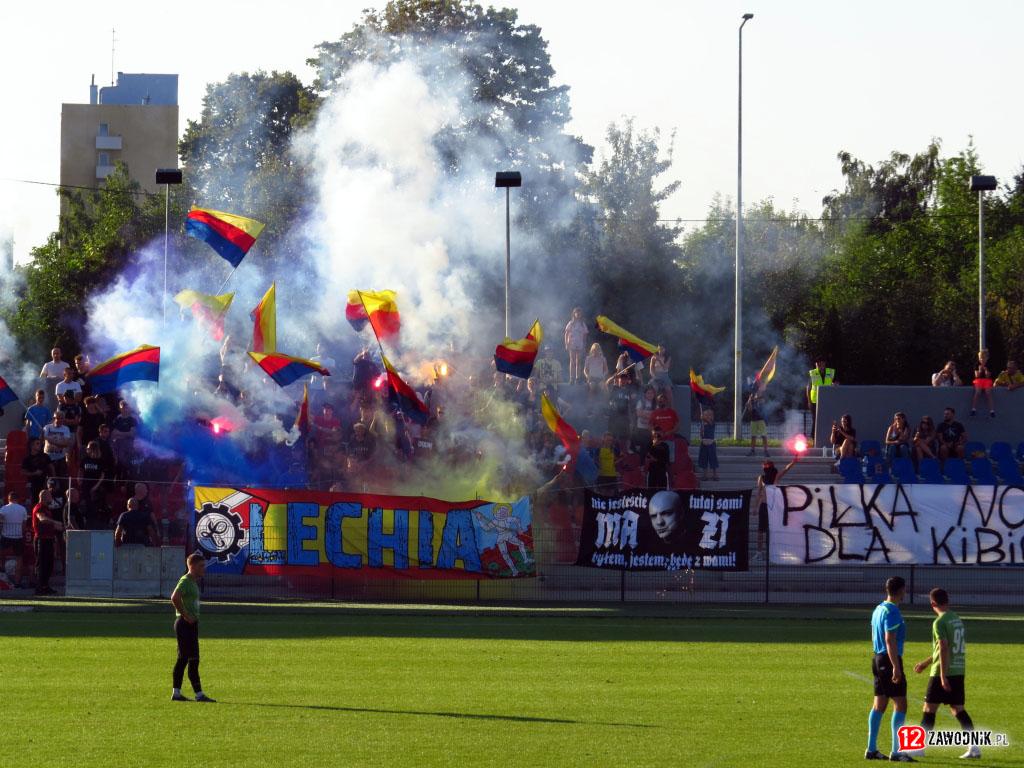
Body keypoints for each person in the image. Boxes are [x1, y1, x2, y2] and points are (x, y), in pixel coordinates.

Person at [912, 588, 981, 760]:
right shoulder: (956, 619)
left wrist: (942, 676)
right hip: (958, 670)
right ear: (947, 601)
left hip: (943, 673)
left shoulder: (939, 622)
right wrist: (925, 663)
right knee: (958, 709)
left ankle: (919, 748)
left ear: (932, 603)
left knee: (929, 709)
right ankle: (974, 748)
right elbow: (943, 648)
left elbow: (943, 647)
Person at [866, 576, 912, 762]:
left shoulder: (878, 609)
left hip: (877, 658)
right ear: (901, 590)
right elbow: (889, 639)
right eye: (904, 589)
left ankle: (871, 749)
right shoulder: (892, 611)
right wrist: (896, 667)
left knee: (879, 704)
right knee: (900, 703)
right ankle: (897, 751)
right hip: (888, 659)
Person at [170, 552, 216, 702]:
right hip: (184, 624)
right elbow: (174, 597)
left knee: (192, 659)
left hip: (191, 624)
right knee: (184, 658)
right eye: (201, 566)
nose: (204, 569)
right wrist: (185, 615)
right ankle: (184, 693)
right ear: (192, 566)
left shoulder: (193, 582)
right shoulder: (185, 581)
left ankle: (195, 694)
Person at [753, 457, 797, 562]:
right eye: (765, 465)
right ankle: (759, 553)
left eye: (767, 465)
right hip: (764, 506)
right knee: (760, 531)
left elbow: (785, 469)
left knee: (772, 530)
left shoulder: (776, 477)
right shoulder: (761, 478)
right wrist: (755, 507)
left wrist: (793, 462)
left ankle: (773, 552)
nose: (766, 467)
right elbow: (759, 493)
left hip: (773, 507)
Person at [32, 489, 63, 595]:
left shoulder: (47, 509)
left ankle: (45, 586)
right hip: (42, 539)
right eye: (49, 496)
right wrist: (56, 522)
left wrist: (62, 526)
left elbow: (51, 524)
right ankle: (40, 587)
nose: (51, 498)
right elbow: (42, 519)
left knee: (49, 565)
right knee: (42, 564)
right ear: (44, 497)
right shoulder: (39, 507)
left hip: (49, 539)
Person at [0, 491, 29, 587]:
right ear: (18, 499)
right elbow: (24, 525)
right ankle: (17, 582)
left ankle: (2, 568)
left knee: (1, 553)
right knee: (19, 558)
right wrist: (21, 533)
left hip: (6, 535)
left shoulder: (4, 508)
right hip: (18, 536)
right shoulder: (23, 509)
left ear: (9, 499)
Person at [806, 358, 837, 438]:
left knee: (827, 419)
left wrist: (835, 384)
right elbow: (808, 388)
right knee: (815, 420)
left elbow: (835, 383)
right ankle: (813, 437)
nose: (820, 365)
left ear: (824, 364)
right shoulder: (813, 373)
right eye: (818, 364)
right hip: (815, 401)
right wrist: (809, 401)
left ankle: (826, 436)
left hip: (827, 401)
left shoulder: (830, 372)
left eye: (821, 363)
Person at [42, 411, 73, 488]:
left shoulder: (66, 429)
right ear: (54, 418)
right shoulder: (47, 428)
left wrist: (53, 442)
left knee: (62, 479)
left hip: (60, 458)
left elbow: (65, 444)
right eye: (58, 418)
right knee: (48, 479)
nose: (59, 420)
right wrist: (42, 435)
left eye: (62, 418)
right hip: (48, 458)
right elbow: (43, 439)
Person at [21, 438, 52, 505]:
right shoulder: (27, 459)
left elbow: (51, 468)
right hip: (34, 485)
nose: (40, 445)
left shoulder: (45, 456)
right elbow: (23, 472)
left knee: (47, 502)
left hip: (45, 483)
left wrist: (53, 478)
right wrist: (34, 473)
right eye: (37, 443)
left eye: (40, 443)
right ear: (32, 445)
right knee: (35, 502)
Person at [563, 307, 588, 385]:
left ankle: (578, 378)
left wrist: (584, 344)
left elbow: (585, 335)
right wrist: (566, 343)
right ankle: (571, 378)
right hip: (572, 344)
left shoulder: (582, 324)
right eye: (576, 313)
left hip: (580, 344)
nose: (578, 314)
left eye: (579, 313)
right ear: (574, 314)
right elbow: (566, 333)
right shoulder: (571, 323)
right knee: (572, 361)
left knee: (579, 361)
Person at [970, 349, 994, 418]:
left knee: (988, 393)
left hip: (987, 380)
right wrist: (980, 371)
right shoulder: (976, 364)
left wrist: (986, 370)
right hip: (979, 380)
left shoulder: (989, 365)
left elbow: (988, 376)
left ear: (987, 358)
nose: (982, 359)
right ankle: (973, 409)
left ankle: (992, 410)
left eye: (984, 358)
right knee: (978, 392)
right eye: (980, 358)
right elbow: (976, 376)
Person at [746, 386, 769, 457]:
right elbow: (750, 410)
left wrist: (753, 399)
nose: (758, 392)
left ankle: (766, 451)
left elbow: (761, 402)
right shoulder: (752, 399)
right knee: (753, 436)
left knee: (764, 436)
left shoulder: (762, 398)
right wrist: (749, 402)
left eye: (760, 391)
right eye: (757, 391)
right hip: (753, 420)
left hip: (761, 420)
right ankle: (752, 451)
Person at [697, 409, 719, 481]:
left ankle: (715, 474)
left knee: (713, 459)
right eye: (706, 415)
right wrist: (701, 437)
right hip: (704, 443)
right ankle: (705, 475)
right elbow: (701, 434)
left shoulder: (712, 424)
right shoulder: (702, 425)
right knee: (704, 459)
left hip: (711, 443)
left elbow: (709, 422)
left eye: (709, 415)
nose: (707, 416)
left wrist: (704, 419)